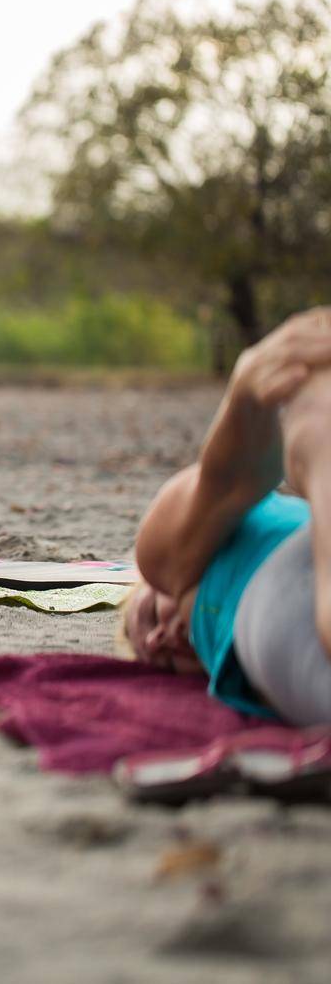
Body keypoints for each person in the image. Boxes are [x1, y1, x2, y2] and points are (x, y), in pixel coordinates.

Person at [122, 307, 331, 725]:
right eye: (157, 656)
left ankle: (244, 465)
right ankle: (316, 444)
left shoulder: (199, 572)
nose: (160, 639)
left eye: (148, 616)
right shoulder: (236, 661)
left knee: (160, 555)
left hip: (271, 558)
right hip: (287, 618)